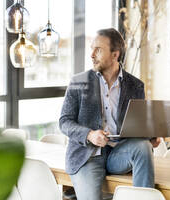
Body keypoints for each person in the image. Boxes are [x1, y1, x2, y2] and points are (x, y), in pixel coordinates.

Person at [59, 28, 160, 200]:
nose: (92, 54)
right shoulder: (79, 82)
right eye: (92, 48)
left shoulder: (135, 85)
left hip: (118, 153)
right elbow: (64, 122)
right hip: (87, 156)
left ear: (115, 54)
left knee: (143, 146)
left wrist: (150, 137)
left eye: (98, 49)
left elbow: (137, 124)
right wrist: (90, 134)